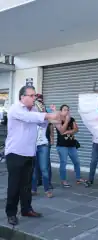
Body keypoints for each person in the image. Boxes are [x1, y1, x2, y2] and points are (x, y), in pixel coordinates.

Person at [5, 86, 61, 225]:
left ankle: (26, 209)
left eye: (34, 95)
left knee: (26, 185)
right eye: (30, 95)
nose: (33, 98)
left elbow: (41, 125)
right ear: (22, 97)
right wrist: (47, 116)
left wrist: (51, 116)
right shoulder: (15, 109)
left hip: (30, 152)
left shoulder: (35, 110)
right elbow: (28, 118)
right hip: (15, 153)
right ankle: (11, 213)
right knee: (14, 185)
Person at [56, 104, 85, 187]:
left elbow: (76, 129)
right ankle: (63, 180)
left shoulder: (72, 119)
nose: (67, 111)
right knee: (63, 163)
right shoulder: (58, 120)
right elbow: (61, 131)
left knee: (76, 162)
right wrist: (66, 121)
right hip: (62, 146)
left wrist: (68, 132)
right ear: (61, 111)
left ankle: (78, 178)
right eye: (65, 109)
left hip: (72, 145)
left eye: (68, 110)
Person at [31, 95, 54, 198]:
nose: (40, 104)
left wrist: (52, 112)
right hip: (32, 145)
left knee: (44, 168)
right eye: (37, 102)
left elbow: (55, 121)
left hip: (43, 145)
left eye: (41, 102)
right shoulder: (31, 115)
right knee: (34, 169)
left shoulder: (46, 116)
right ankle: (33, 189)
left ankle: (47, 189)